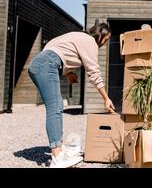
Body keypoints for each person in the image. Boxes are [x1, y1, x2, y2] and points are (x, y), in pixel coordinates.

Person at [28, 23, 115, 168]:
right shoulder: (90, 42)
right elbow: (94, 73)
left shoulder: (76, 36)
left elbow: (52, 49)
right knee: (55, 107)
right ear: (101, 35)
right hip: (48, 64)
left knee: (56, 106)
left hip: (39, 64)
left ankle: (59, 151)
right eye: (106, 39)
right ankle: (57, 158)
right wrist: (106, 98)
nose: (105, 43)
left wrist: (68, 73)